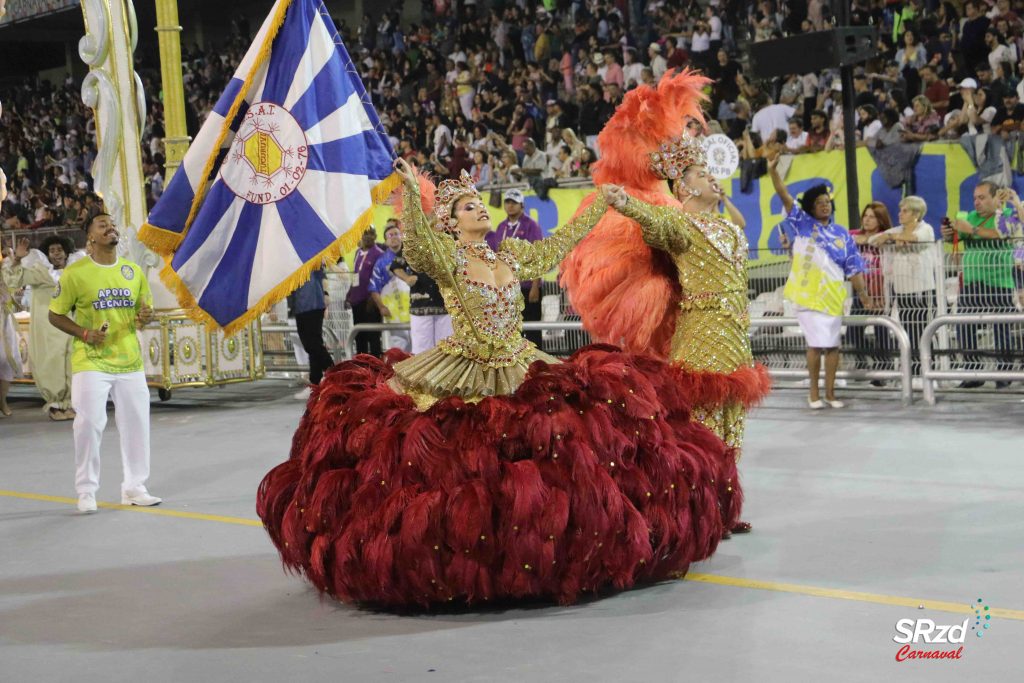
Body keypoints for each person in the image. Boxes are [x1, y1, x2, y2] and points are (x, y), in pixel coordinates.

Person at [255, 162, 744, 608]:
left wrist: (598, 207)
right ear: (452, 222)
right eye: (468, 206)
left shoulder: (511, 253)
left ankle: (548, 549)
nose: (479, 209)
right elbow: (420, 246)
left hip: (521, 365)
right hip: (463, 368)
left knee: (551, 444)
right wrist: (408, 190)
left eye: (478, 202)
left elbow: (559, 243)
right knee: (471, 459)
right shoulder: (447, 260)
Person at [561, 71, 771, 537]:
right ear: (684, 189)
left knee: (734, 422)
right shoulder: (680, 228)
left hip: (735, 337)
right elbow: (652, 218)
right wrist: (622, 199)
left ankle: (727, 507)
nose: (711, 178)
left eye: (710, 173)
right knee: (702, 425)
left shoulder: (731, 229)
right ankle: (700, 509)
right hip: (698, 338)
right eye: (700, 175)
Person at [47, 213, 160, 513]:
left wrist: (146, 316)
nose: (111, 227)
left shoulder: (132, 271)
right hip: (91, 362)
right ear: (91, 238)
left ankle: (135, 487)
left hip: (130, 361)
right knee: (88, 424)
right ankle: (86, 490)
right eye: (102, 224)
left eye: (112, 224)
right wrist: (84, 333)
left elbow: (145, 310)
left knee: (137, 425)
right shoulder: (75, 274)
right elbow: (54, 314)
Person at [768, 159, 876, 409]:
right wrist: (773, 171)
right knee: (816, 343)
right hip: (808, 294)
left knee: (833, 345)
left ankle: (831, 394)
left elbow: (854, 266)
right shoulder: (802, 223)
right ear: (810, 207)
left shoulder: (842, 234)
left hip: (833, 294)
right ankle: (814, 394)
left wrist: (864, 294)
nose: (824, 206)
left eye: (827, 202)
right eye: (819, 203)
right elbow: (783, 195)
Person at [942, 182, 1019, 388]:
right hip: (971, 283)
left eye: (982, 197)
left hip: (1000, 283)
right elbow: (955, 237)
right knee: (965, 328)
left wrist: (972, 229)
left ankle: (1004, 375)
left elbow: (1001, 233)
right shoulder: (968, 217)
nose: (977, 202)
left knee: (1001, 330)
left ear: (996, 198)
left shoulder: (1008, 214)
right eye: (975, 198)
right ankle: (971, 373)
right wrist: (948, 232)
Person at [2, 235, 79, 419]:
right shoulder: (40, 271)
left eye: (59, 249)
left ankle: (69, 402)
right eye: (52, 250)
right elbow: (13, 280)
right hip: (49, 327)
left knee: (72, 362)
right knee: (51, 363)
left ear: (66, 251)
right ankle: (55, 403)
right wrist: (18, 259)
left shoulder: (76, 270)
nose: (56, 254)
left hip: (71, 324)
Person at [868, 196, 939, 378]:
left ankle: (928, 371)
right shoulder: (898, 230)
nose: (900, 213)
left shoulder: (926, 228)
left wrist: (891, 237)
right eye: (900, 210)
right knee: (908, 332)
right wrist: (893, 237)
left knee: (924, 331)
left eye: (905, 210)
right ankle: (913, 372)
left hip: (923, 289)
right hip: (902, 290)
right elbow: (873, 240)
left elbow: (914, 238)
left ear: (916, 213)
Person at [486, 189, 544, 348]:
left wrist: (535, 286)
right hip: (507, 289)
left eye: (514, 203)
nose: (510, 206)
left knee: (532, 330)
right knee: (511, 330)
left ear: (522, 205)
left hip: (527, 286)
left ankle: (536, 365)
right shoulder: (501, 227)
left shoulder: (531, 225)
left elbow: (538, 256)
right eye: (507, 202)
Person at [848, 203, 892, 383]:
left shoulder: (887, 237)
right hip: (860, 292)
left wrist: (868, 240)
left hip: (880, 292)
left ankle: (884, 368)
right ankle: (863, 360)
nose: (866, 219)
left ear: (880, 219)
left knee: (881, 332)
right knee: (853, 332)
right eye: (865, 215)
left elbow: (888, 239)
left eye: (871, 216)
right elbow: (845, 238)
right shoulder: (853, 235)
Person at [289, 265, 335, 400]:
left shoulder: (310, 253)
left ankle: (336, 374)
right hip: (301, 304)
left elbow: (322, 274)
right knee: (312, 345)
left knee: (312, 344)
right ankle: (315, 383)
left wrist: (325, 293)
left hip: (312, 302)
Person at [368, 220, 411, 352]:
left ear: (401, 236)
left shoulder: (412, 257)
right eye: (390, 235)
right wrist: (381, 307)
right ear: (386, 241)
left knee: (418, 346)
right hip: (393, 312)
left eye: (396, 234)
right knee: (398, 348)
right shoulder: (381, 262)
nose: (394, 238)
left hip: (414, 308)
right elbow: (374, 287)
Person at [346, 226, 384, 357]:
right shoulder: (357, 253)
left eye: (371, 233)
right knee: (359, 335)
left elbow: (380, 278)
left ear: (375, 236)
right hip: (356, 301)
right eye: (365, 233)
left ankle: (376, 368)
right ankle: (361, 367)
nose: (368, 236)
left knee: (373, 336)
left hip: (370, 302)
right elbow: (356, 275)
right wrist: (349, 293)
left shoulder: (379, 254)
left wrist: (374, 298)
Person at [0, 246, 23, 417]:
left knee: (8, 360)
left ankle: (2, 400)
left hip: (5, 319)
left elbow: (13, 285)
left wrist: (15, 260)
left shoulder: (6, 266)